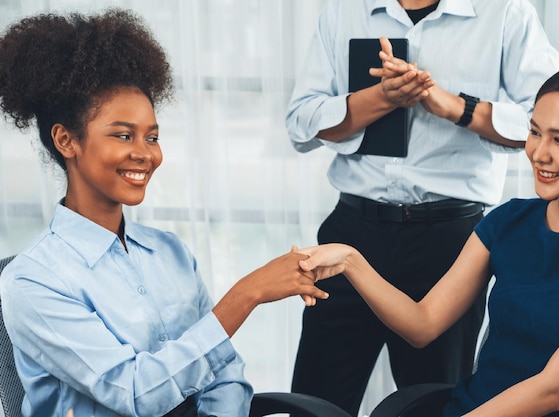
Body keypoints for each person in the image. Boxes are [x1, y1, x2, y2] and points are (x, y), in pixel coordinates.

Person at [0, 9, 327, 417]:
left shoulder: (170, 252)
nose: (145, 154)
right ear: (67, 140)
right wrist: (248, 294)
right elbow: (136, 393)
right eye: (123, 135)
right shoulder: (31, 281)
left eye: (152, 137)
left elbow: (226, 375)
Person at [295, 58, 559, 416]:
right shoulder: (509, 221)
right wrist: (350, 260)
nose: (538, 153)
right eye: (534, 132)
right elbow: (423, 324)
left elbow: (553, 390)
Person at [285, 0, 559, 414]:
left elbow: (547, 121)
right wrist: (381, 98)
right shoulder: (345, 8)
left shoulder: (505, 10)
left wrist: (450, 105)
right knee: (314, 399)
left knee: (434, 401)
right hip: (352, 229)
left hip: (450, 244)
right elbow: (300, 123)